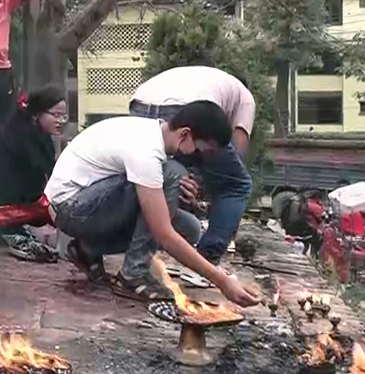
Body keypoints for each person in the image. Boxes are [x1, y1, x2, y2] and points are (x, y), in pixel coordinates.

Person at [44, 101, 260, 306]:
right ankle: (133, 274)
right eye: (202, 151)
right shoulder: (146, 150)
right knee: (171, 175)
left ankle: (88, 248)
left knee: (189, 228)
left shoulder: (153, 134)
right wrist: (221, 280)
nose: (200, 159)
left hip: (92, 202)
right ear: (184, 134)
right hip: (69, 207)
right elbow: (163, 234)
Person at [130, 66, 256, 265]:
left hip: (140, 102)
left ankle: (136, 255)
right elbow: (238, 148)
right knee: (236, 186)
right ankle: (207, 258)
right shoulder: (245, 96)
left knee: (161, 174)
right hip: (188, 107)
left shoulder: (208, 77)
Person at [0, 87, 66, 230]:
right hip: (9, 211)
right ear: (37, 114)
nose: (60, 121)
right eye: (56, 115)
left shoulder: (41, 136)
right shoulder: (20, 137)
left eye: (63, 116)